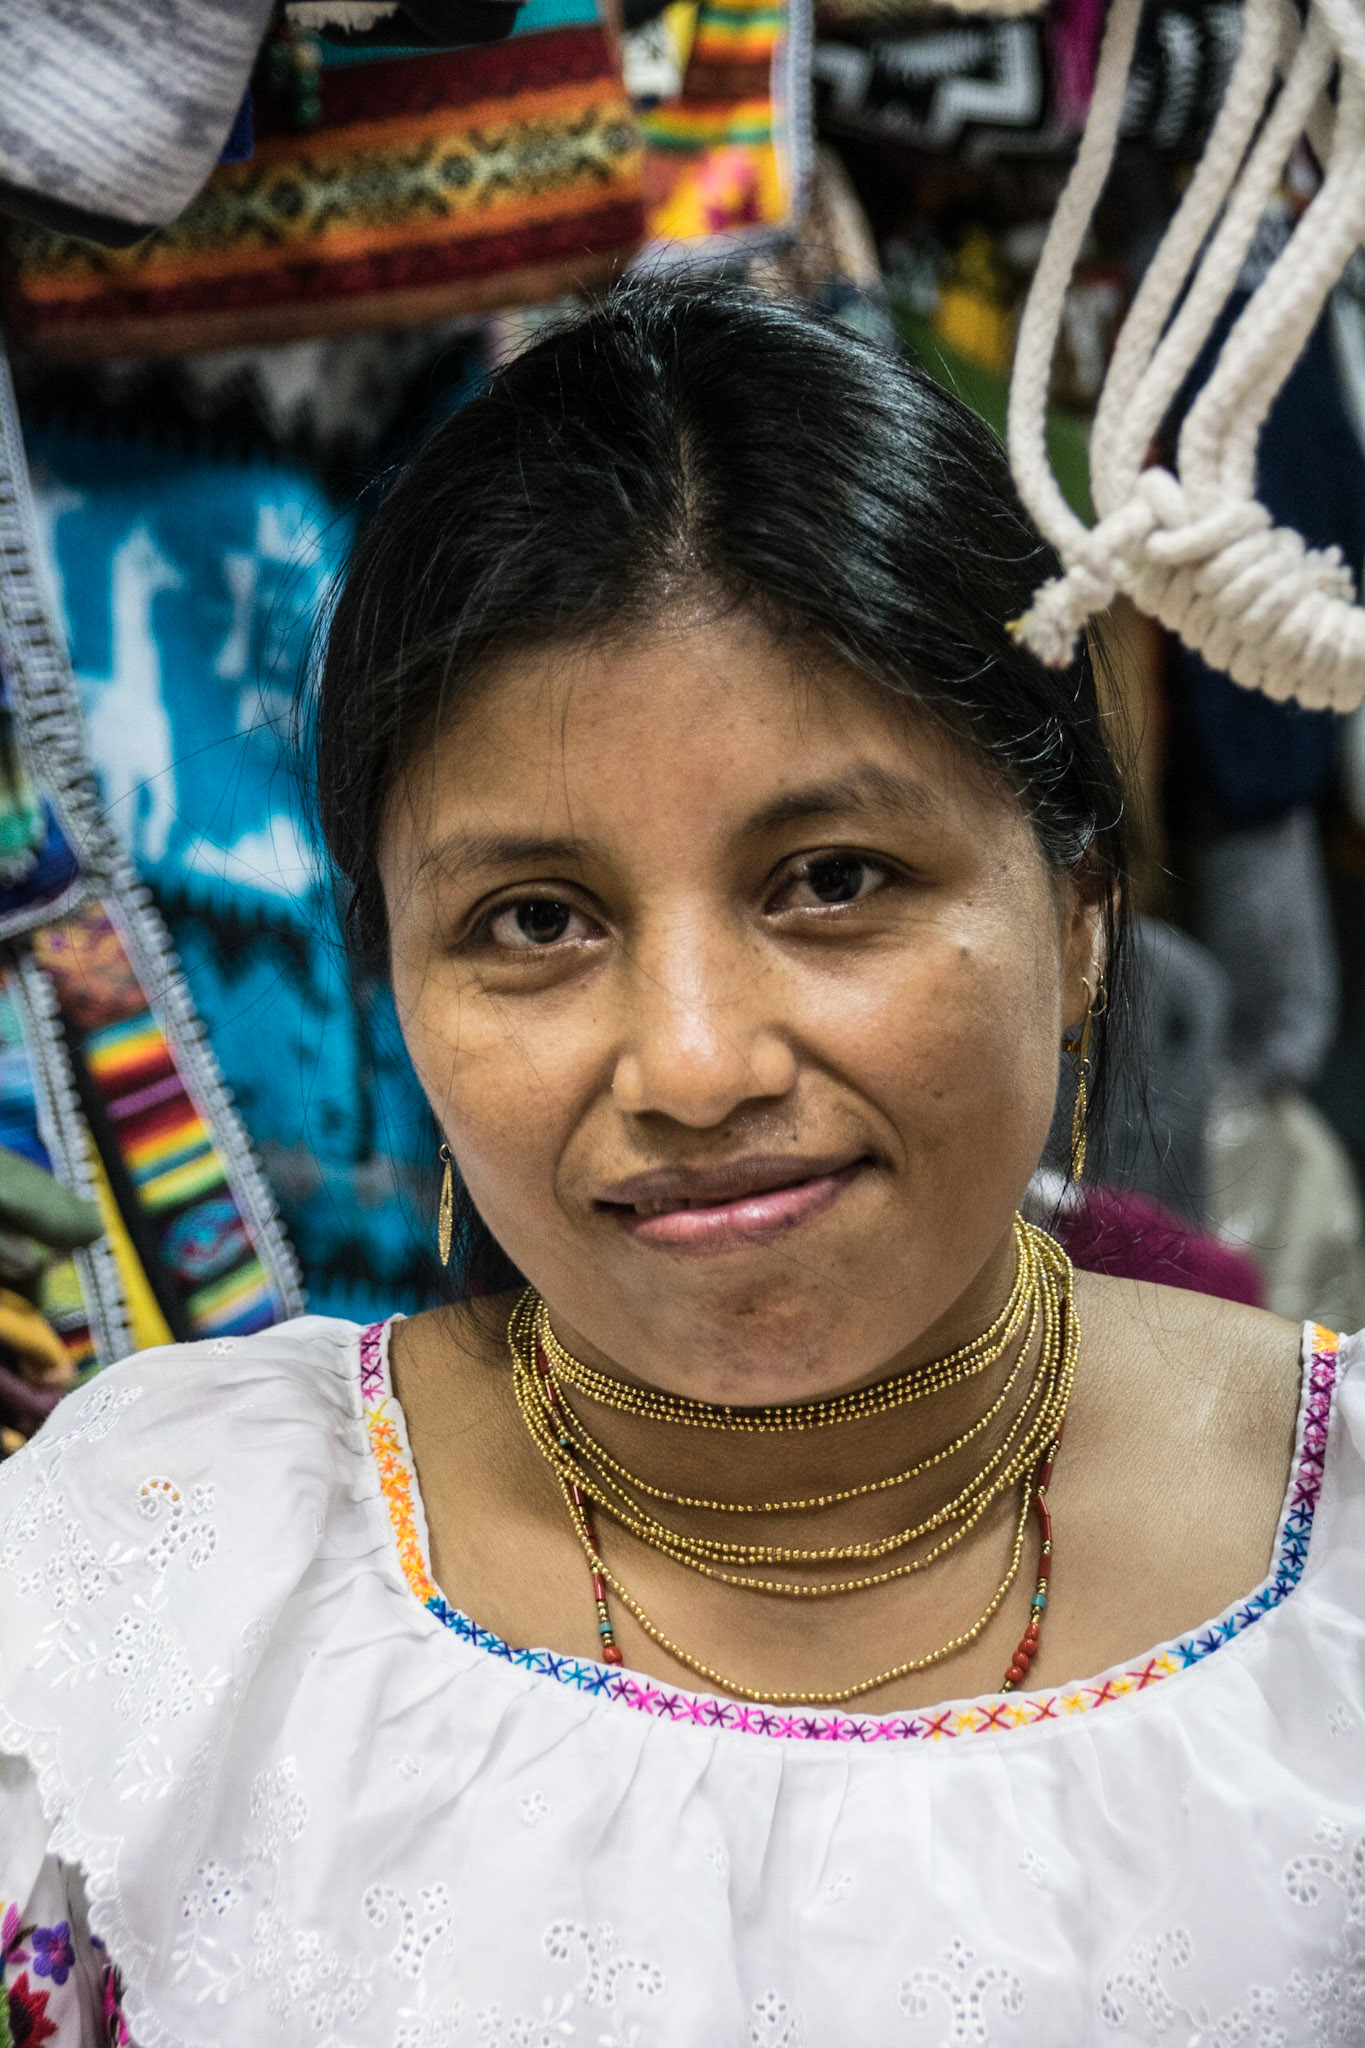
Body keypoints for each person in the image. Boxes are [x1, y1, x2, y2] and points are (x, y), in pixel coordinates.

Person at [0, 279, 1357, 2046]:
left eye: (832, 880)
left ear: (1081, 903)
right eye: (535, 920)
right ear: (395, 976)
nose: (696, 1066)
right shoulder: (155, 1590)